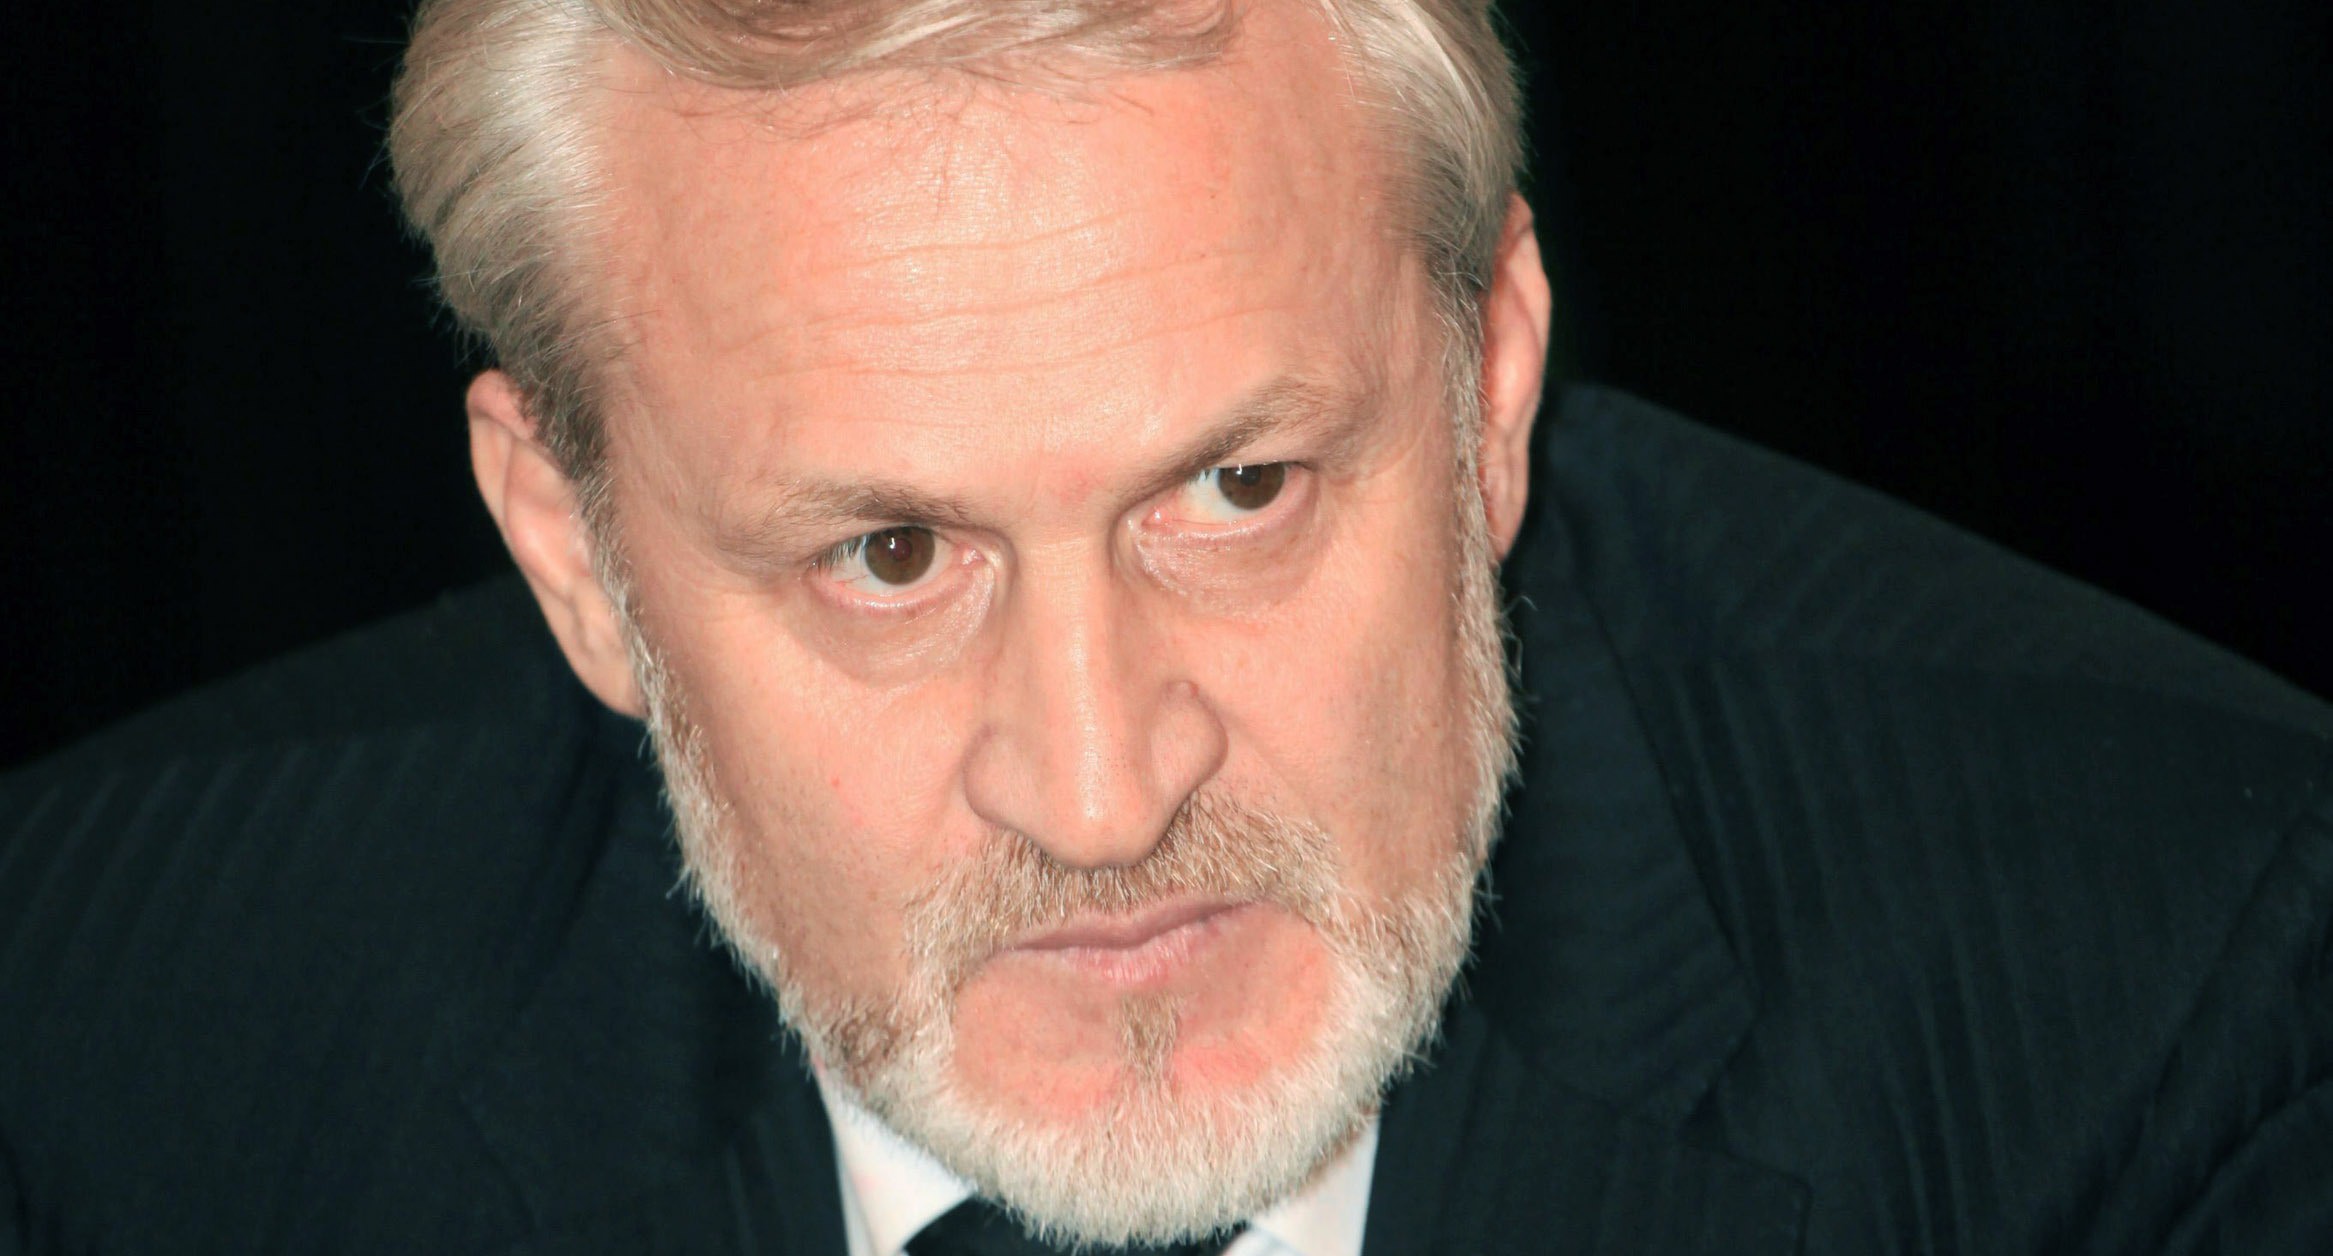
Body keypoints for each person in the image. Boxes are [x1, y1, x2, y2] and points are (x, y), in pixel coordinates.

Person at [3, 0, 2327, 1252]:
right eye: (889, 556)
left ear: (1490, 388)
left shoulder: (2183, 1004)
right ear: (576, 552)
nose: (1105, 790)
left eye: (1238, 492)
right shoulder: (91, 1045)